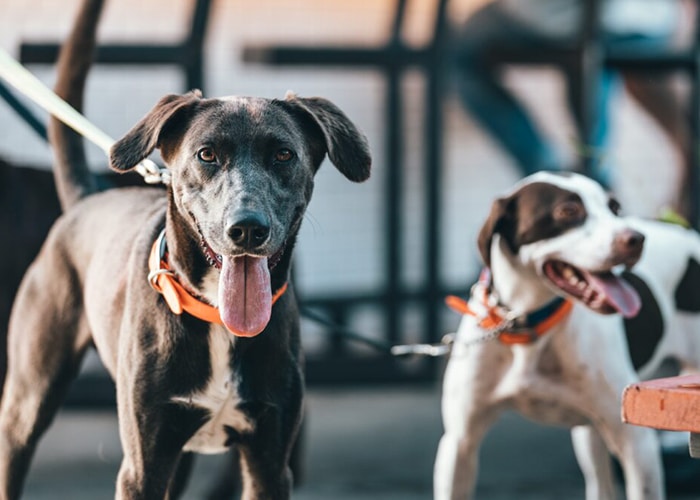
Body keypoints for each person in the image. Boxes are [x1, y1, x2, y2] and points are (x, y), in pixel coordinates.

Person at [451, 0, 693, 216]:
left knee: (459, 53)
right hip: (647, 19)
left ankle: (550, 172)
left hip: (563, 20)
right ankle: (594, 177)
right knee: (596, 57)